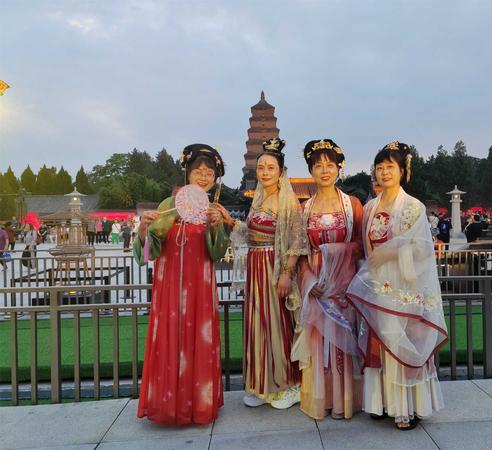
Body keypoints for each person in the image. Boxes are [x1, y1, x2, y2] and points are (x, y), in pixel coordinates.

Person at [346, 141, 447, 430]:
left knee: (403, 340)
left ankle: (406, 407)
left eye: (390, 166)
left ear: (403, 171)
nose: (384, 172)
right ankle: (381, 403)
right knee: (380, 340)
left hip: (404, 283)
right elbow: (366, 248)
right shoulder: (370, 207)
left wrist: (390, 253)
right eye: (379, 167)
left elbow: (422, 249)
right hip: (378, 282)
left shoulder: (413, 207)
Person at [134, 143, 230, 425]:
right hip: (169, 288)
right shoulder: (168, 205)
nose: (204, 176)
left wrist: (217, 226)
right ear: (187, 173)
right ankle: (167, 405)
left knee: (201, 339)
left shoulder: (214, 210)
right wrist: (143, 229)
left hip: (201, 287)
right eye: (198, 171)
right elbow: (147, 254)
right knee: (169, 339)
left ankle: (199, 406)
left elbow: (218, 254)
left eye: (209, 173)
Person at [232, 137, 308, 410]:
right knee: (258, 325)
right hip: (255, 267)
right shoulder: (258, 198)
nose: (264, 172)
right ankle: (262, 385)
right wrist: (229, 221)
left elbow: (297, 240)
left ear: (281, 172)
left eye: (270, 168)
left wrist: (287, 273)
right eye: (261, 168)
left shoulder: (288, 202)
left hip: (274, 268)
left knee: (277, 324)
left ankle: (287, 383)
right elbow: (250, 234)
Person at [291, 139, 364, 420]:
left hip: (344, 282)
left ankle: (345, 400)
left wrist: (335, 252)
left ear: (339, 168)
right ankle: (323, 399)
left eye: (330, 165)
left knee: (343, 342)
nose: (324, 170)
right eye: (318, 165)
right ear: (310, 170)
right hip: (317, 284)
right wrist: (309, 280)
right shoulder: (304, 208)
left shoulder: (352, 205)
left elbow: (360, 245)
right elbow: (300, 252)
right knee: (319, 343)